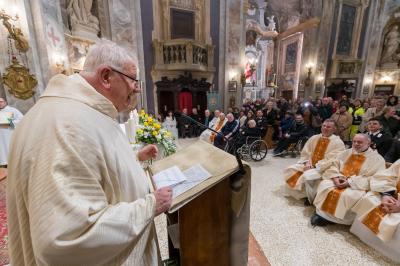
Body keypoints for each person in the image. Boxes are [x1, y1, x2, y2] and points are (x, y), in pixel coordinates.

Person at [6, 40, 173, 265]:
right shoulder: (68, 125)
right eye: (133, 80)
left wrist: (133, 159)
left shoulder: (78, 110)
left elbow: (90, 167)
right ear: (106, 76)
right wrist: (150, 205)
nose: (137, 88)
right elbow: (69, 237)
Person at [311, 134, 386, 226]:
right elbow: (334, 165)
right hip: (338, 179)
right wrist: (335, 177)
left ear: (368, 143)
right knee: (325, 185)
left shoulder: (378, 159)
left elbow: (375, 178)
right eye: (354, 141)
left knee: (348, 195)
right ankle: (321, 214)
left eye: (359, 142)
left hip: (357, 185)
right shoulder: (346, 152)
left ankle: (335, 220)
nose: (356, 144)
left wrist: (349, 182)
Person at [283, 119, 345, 203]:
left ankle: (311, 199)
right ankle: (302, 194)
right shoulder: (314, 138)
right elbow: (306, 152)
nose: (325, 128)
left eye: (329, 127)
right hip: (309, 164)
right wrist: (307, 162)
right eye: (324, 126)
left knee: (308, 176)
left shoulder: (338, 142)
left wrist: (315, 166)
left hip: (324, 168)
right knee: (290, 169)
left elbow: (333, 159)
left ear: (334, 129)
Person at [350, 159, 400, 262]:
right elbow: (385, 176)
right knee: (370, 199)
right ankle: (366, 238)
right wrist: (386, 194)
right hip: (392, 195)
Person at [0, 98, 23, 166]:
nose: (0, 103)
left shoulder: (13, 110)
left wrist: (9, 123)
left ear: (5, 102)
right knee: (4, 156)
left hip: (11, 136)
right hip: (1, 140)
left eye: (1, 101)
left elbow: (22, 120)